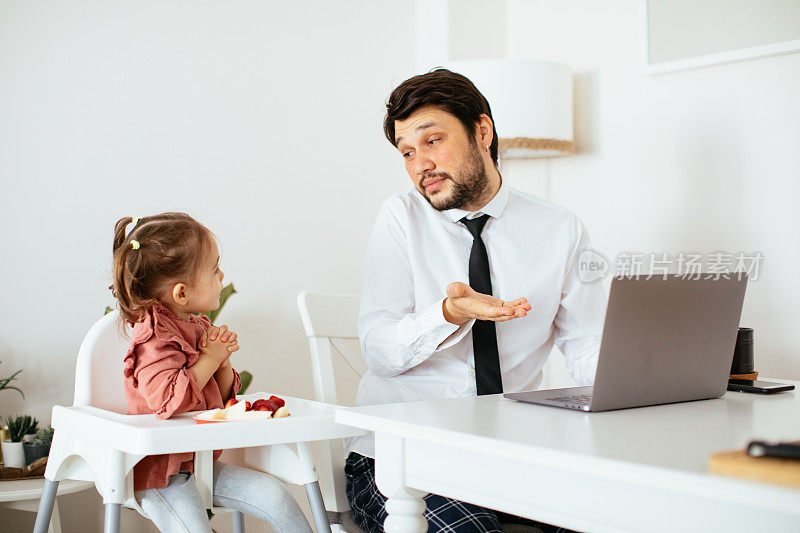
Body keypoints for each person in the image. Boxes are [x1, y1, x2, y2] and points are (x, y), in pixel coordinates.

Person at [345, 69, 607, 532]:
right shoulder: (399, 219)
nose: (419, 164)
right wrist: (447, 315)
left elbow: (588, 348)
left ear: (481, 132)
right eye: (407, 152)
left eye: (432, 141)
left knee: (609, 514)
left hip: (513, 453)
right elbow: (379, 352)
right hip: (399, 460)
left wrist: (645, 375)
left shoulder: (559, 229)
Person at [111, 212, 312, 533]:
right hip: (159, 474)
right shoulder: (154, 335)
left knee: (274, 495)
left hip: (197, 463)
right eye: (214, 269)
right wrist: (209, 358)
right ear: (181, 292)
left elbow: (220, 402)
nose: (222, 275)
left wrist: (222, 363)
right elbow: (168, 402)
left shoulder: (199, 325)